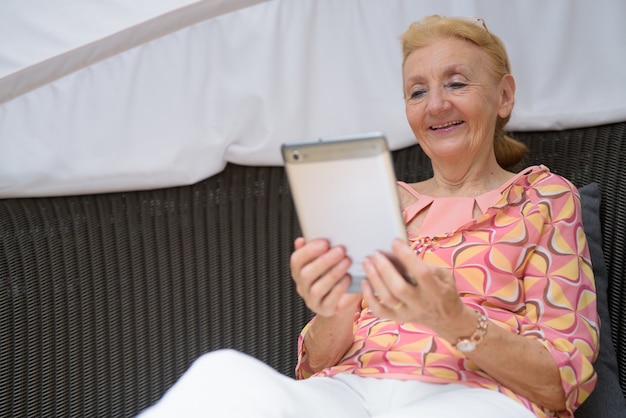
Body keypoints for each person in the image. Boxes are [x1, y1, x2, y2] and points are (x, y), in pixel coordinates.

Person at [137, 15, 599, 418]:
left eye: (456, 83)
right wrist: (333, 307)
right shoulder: (379, 199)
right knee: (222, 375)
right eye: (417, 91)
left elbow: (561, 382)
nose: (435, 104)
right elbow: (314, 367)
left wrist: (454, 320)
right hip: (350, 392)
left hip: (475, 394)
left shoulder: (542, 198)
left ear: (503, 96)